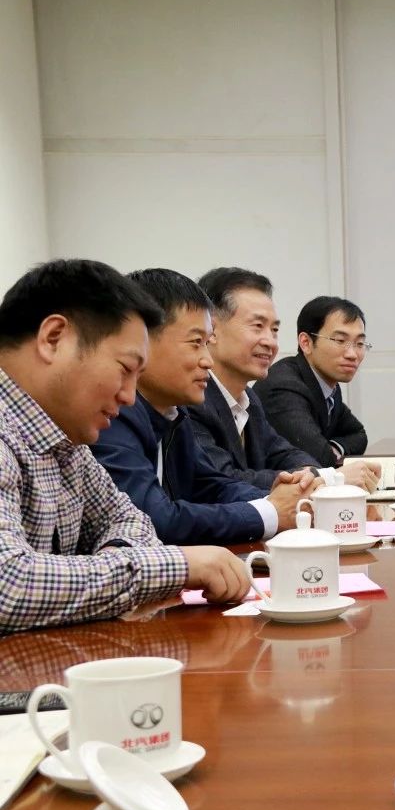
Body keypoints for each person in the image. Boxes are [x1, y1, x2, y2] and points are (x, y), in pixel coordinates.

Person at [0, 259, 250, 633]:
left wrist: (119, 561)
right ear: (53, 338)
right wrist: (177, 566)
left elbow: (132, 521)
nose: (130, 397)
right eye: (124, 369)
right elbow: (8, 585)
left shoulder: (66, 442)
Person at [92, 269, 315, 546]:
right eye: (196, 343)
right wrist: (270, 512)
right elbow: (151, 519)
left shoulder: (174, 412)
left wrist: (281, 500)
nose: (207, 361)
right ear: (141, 341)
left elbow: (210, 485)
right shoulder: (113, 413)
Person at [190, 268, 380, 493]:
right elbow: (223, 481)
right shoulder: (192, 400)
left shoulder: (248, 398)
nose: (270, 341)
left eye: (274, 329)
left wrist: (316, 476)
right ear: (211, 331)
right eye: (258, 326)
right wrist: (329, 479)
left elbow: (283, 453)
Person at [255, 296, 370, 467]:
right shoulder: (283, 387)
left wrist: (333, 449)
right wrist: (327, 453)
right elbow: (318, 459)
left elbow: (358, 435)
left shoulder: (328, 384)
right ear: (306, 343)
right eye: (340, 341)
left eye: (359, 343)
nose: (352, 354)